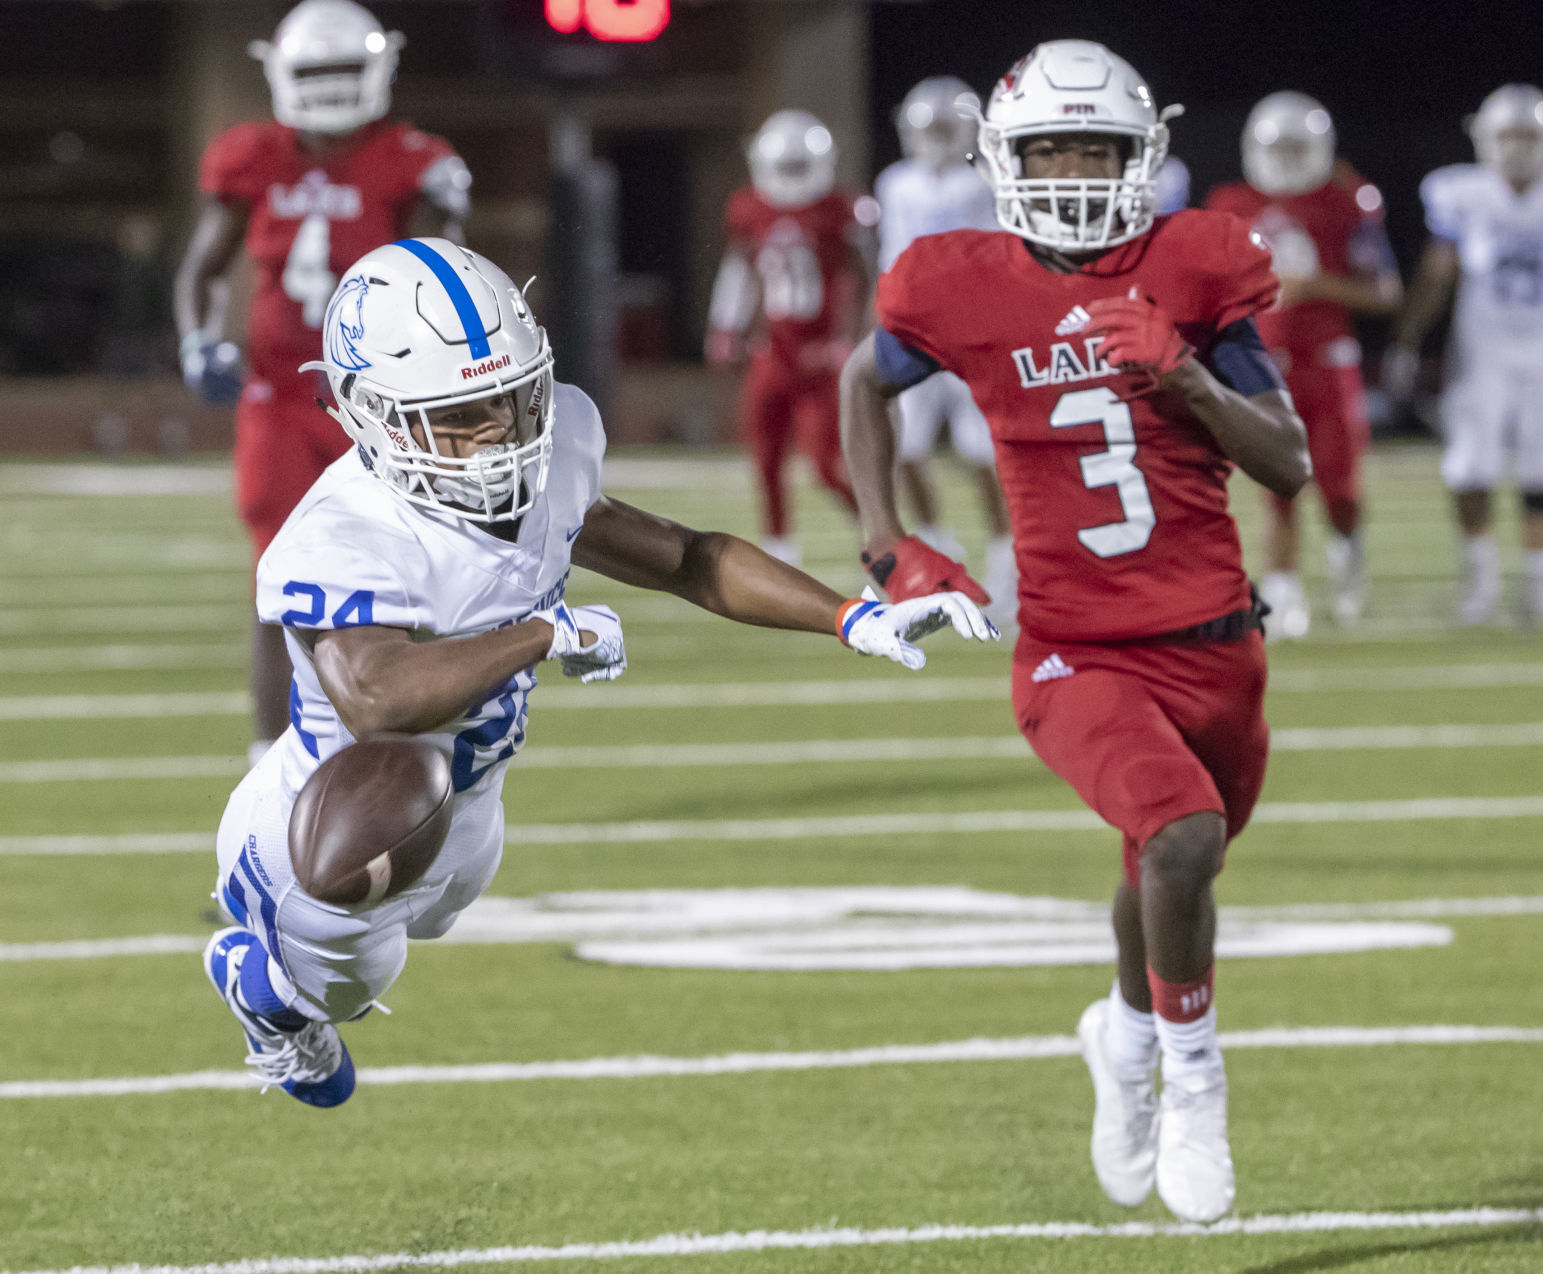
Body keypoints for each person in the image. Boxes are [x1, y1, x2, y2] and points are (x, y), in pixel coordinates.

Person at [204, 237, 996, 1108]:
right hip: (326, 821)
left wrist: (851, 617)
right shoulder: (340, 534)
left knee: (443, 899)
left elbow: (688, 558)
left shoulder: (554, 452)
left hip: (470, 802)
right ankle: (268, 996)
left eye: (510, 401)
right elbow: (375, 697)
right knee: (360, 966)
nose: (497, 437)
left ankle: (324, 965)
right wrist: (538, 633)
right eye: (457, 418)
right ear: (369, 413)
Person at [838, 41, 1309, 1222]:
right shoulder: (957, 279)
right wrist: (888, 544)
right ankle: (1192, 1077)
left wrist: (1192, 382)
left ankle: (1125, 1030)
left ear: (1142, 156)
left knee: (1162, 862)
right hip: (1073, 650)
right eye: (1050, 150)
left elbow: (1290, 463)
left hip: (1219, 647)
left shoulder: (1198, 266)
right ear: (1005, 159)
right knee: (1182, 833)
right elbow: (863, 384)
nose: (1072, 172)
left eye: (1095, 150)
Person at [173, 0, 472, 760]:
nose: (333, 89)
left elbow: (444, 273)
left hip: (377, 396)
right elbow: (203, 266)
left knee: (407, 566)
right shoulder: (251, 156)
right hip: (278, 393)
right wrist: (198, 339)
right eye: (318, 71)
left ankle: (405, 740)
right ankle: (272, 759)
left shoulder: (412, 158)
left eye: (345, 70)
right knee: (277, 577)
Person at [1385, 84, 1543, 626]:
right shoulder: (1459, 193)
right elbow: (1436, 274)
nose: (1517, 148)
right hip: (1481, 348)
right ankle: (1481, 584)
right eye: (1508, 136)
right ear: (1485, 138)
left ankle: (1541, 587)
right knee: (1470, 466)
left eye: (1528, 136)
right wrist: (1407, 339)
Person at [1207, 92, 1400, 636]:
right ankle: (1285, 593)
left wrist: (1312, 285)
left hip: (1329, 360)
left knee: (1340, 488)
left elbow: (1385, 290)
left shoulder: (1348, 201)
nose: (1288, 157)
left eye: (1299, 146)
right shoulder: (1229, 202)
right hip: (1260, 361)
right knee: (1278, 482)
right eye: (1279, 146)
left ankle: (1347, 553)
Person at [874, 76, 1015, 620]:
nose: (935, 137)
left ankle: (1006, 561)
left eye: (944, 127)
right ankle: (938, 544)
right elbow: (890, 257)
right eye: (927, 127)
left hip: (973, 335)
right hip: (912, 331)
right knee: (904, 448)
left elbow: (999, 259)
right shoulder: (896, 183)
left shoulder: (983, 181)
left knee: (983, 454)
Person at [705, 109, 867, 566]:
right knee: (766, 457)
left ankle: (881, 534)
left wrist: (849, 338)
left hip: (820, 354)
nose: (792, 177)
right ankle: (779, 549)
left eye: (800, 166)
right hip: (772, 349)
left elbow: (862, 276)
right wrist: (725, 327)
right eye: (786, 166)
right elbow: (739, 269)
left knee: (827, 465)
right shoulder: (749, 207)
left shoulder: (840, 209)